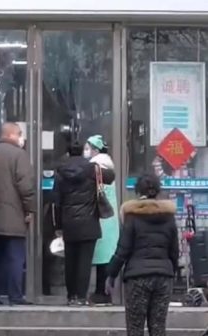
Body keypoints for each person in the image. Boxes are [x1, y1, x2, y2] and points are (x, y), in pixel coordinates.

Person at [106, 174, 178, 336]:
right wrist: (170, 272)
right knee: (158, 326)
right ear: (158, 190)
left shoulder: (132, 217)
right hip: (163, 277)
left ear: (138, 191)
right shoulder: (169, 217)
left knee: (135, 327)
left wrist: (111, 274)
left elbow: (123, 250)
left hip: (137, 277)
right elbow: (174, 251)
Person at [52, 141, 114, 306]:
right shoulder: (92, 168)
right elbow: (111, 176)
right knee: (84, 262)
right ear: (82, 152)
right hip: (89, 222)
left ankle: (71, 295)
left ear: (68, 153)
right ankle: (81, 296)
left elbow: (56, 203)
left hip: (69, 223)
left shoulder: (60, 172)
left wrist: (58, 226)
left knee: (70, 261)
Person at [0, 122, 35, 305]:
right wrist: (29, 209)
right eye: (20, 133)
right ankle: (15, 295)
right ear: (11, 135)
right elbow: (26, 186)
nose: (22, 137)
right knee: (15, 258)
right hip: (14, 215)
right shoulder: (19, 155)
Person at [83, 135, 119, 306]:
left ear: (95, 150)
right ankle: (104, 292)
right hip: (109, 219)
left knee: (99, 258)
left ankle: (100, 293)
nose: (86, 151)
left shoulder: (96, 168)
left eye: (87, 147)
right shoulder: (108, 166)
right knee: (105, 258)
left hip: (100, 218)